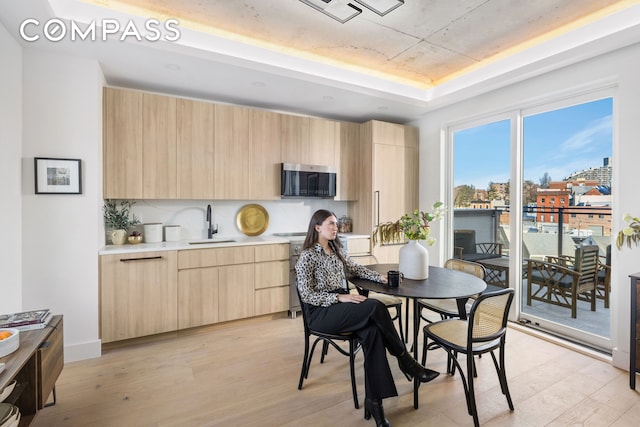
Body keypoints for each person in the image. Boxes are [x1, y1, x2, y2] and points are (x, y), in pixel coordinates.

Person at [295, 209, 439, 427]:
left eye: (336, 224)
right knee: (374, 307)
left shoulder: (336, 250)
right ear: (317, 227)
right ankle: (407, 362)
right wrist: (340, 298)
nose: (335, 228)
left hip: (337, 306)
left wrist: (378, 277)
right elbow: (306, 294)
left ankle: (375, 403)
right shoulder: (308, 256)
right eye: (330, 224)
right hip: (320, 312)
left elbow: (356, 269)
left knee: (372, 333)